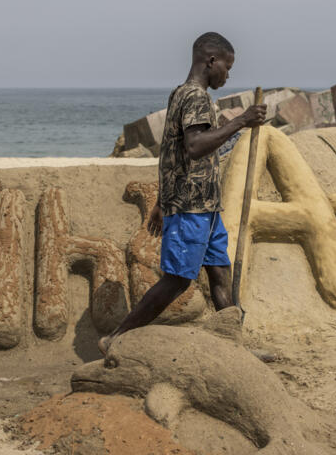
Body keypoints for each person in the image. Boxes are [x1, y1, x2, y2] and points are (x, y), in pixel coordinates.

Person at [98, 32, 267, 354]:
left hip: (205, 206)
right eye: (227, 67)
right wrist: (243, 120)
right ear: (211, 61)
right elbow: (194, 146)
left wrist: (163, 200)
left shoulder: (179, 94)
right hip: (191, 207)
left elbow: (169, 153)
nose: (228, 75)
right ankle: (115, 338)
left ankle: (235, 345)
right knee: (177, 279)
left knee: (219, 271)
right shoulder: (195, 97)